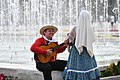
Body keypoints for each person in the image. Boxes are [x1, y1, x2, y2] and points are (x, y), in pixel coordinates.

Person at [63, 10, 100, 80]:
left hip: (76, 52)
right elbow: (92, 39)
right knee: (88, 68)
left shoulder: (75, 29)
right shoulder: (91, 29)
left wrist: (69, 36)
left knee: (75, 68)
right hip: (87, 52)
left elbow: (70, 41)